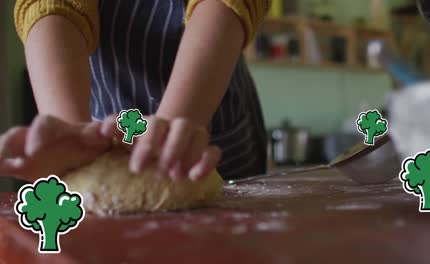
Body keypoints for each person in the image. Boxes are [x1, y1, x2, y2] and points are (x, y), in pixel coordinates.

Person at [0, 0, 269, 182]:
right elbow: (51, 4)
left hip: (206, 118)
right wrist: (71, 131)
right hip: (98, 128)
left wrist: (175, 128)